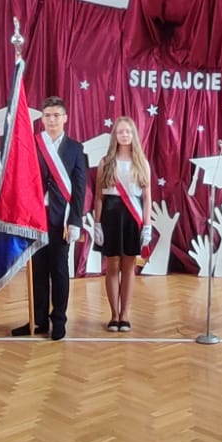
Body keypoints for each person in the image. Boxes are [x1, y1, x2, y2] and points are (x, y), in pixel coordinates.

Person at [16, 96, 86, 341]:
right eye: (47, 115)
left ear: (65, 118)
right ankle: (38, 320)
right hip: (36, 217)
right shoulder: (33, 144)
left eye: (56, 115)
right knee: (38, 270)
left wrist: (75, 221)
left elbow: (79, 188)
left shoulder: (75, 149)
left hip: (62, 220)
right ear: (42, 119)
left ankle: (59, 320)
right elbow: (23, 181)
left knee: (59, 270)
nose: (52, 120)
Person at [93, 116, 153, 332]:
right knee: (112, 266)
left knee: (128, 266)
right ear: (115, 136)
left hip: (132, 218)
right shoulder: (105, 162)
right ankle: (114, 315)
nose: (124, 135)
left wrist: (147, 225)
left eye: (128, 131)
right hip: (110, 216)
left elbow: (147, 197)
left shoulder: (142, 163)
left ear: (133, 135)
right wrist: (97, 224)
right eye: (120, 132)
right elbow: (99, 196)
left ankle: (125, 314)